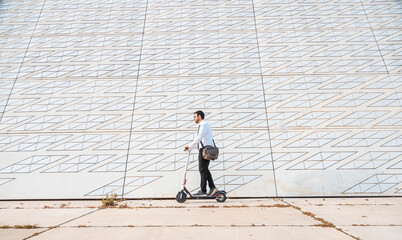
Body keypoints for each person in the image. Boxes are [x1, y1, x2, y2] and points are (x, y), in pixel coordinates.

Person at [184, 111, 218, 196]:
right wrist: (191, 148)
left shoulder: (204, 125)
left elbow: (199, 138)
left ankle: (203, 191)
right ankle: (212, 187)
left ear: (199, 116)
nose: (194, 118)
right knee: (204, 169)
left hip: (205, 150)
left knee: (202, 169)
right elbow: (201, 142)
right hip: (204, 149)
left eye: (195, 116)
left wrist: (189, 145)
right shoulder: (203, 125)